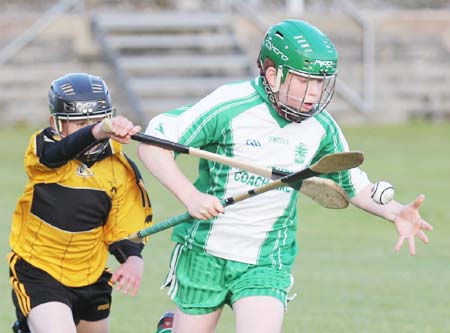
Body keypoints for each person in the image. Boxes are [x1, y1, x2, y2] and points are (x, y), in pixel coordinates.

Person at [138, 20, 433, 333]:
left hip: (267, 259)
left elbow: (353, 183)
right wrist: (191, 196)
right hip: (205, 253)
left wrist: (395, 211)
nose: (314, 93)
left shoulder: (322, 128)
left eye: (320, 83)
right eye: (305, 81)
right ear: (272, 75)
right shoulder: (229, 105)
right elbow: (153, 145)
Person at [8, 73, 153, 333]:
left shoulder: (120, 170)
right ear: (56, 124)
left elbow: (123, 230)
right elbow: (57, 154)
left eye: (97, 120)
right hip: (39, 270)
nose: (90, 128)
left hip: (91, 276)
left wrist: (133, 260)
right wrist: (98, 130)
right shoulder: (45, 149)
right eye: (79, 123)